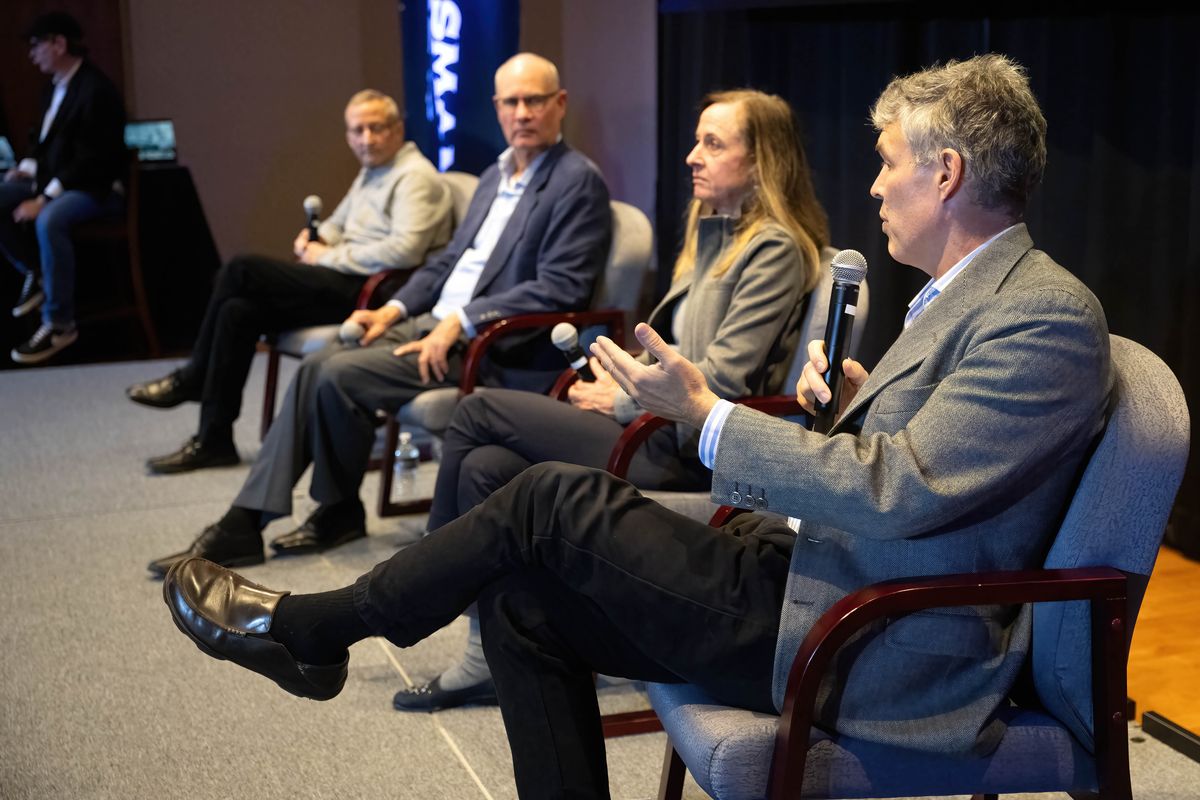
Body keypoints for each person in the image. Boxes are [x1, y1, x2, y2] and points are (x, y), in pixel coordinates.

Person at [162, 54, 1112, 798]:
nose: (873, 186)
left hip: (867, 639)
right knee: (525, 599)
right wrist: (854, 397)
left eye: (889, 163)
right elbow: (921, 461)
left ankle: (316, 628)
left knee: (544, 501)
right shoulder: (963, 298)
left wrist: (705, 420)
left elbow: (901, 491)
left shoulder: (1044, 314)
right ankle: (321, 633)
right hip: (805, 576)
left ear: (945, 174)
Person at [393, 88, 831, 711]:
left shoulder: (774, 250)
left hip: (687, 447)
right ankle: (498, 647)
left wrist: (623, 401)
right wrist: (616, 380)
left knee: (476, 411)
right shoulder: (711, 237)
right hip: (653, 424)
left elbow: (722, 381)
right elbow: (673, 351)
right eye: (697, 140)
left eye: (713, 143)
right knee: (490, 467)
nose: (691, 157)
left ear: (763, 162)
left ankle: (425, 590)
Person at [148, 52, 611, 576]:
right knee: (326, 361)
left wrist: (461, 322)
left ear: (560, 104)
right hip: (435, 324)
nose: (523, 112)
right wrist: (391, 309)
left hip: (491, 345)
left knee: (335, 371)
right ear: (498, 107)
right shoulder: (494, 175)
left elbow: (561, 287)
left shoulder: (577, 181)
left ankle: (252, 522)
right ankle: (328, 511)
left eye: (535, 100)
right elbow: (447, 262)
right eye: (512, 101)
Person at [125, 90, 453, 474]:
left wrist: (325, 255)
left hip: (373, 295)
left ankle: (195, 375)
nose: (366, 138)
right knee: (237, 311)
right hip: (343, 278)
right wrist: (318, 239)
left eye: (376, 128)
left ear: (397, 130)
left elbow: (405, 252)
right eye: (357, 130)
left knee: (241, 269)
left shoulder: (415, 177)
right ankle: (214, 439)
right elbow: (338, 223)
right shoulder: (373, 170)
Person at [0, 12, 125, 364]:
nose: (32, 54)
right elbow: (46, 146)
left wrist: (44, 198)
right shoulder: (53, 88)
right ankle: (36, 271)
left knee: (49, 219)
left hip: (96, 189)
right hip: (59, 181)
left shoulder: (96, 90)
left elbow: (90, 161)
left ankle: (59, 323)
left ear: (59, 43)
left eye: (37, 45)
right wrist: (25, 169)